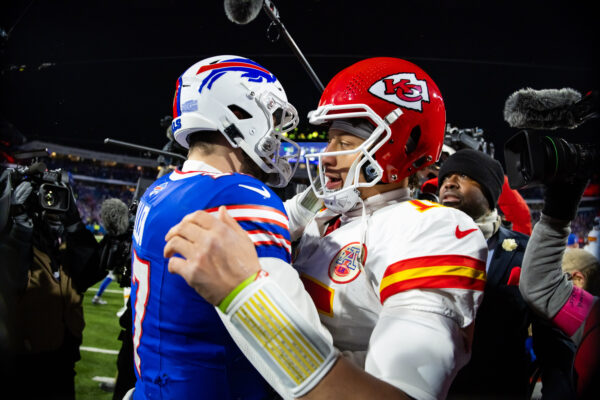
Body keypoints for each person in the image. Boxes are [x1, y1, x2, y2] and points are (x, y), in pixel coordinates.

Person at [165, 57, 488, 399]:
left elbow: (399, 395)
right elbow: (265, 221)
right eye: (330, 139)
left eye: (345, 144)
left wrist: (249, 297)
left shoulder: (430, 230)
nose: (327, 155)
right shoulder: (322, 209)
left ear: (401, 148)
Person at [129, 55, 318, 399]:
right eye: (271, 121)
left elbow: (239, 227)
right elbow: (301, 348)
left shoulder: (160, 190)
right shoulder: (244, 195)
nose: (275, 136)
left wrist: (313, 203)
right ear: (239, 115)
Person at [437, 149, 550, 398]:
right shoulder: (420, 246)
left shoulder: (525, 250)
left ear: (489, 191)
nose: (449, 183)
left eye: (463, 175)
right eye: (445, 178)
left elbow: (549, 336)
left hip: (501, 389)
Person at [0, 166, 105, 399]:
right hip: (18, 372)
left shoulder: (63, 250)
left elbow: (92, 270)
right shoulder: (14, 243)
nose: (50, 204)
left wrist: (75, 223)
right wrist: (18, 221)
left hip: (62, 368)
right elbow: (13, 278)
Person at [519, 176, 600, 399]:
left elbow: (542, 285)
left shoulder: (591, 319)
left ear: (577, 280)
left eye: (562, 276)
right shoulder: (591, 317)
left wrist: (559, 209)